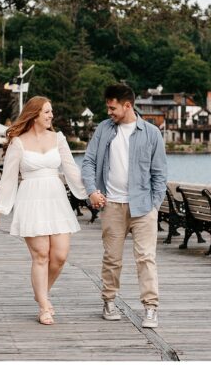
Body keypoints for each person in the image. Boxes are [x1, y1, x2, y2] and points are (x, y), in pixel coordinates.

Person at [0, 96, 87, 326]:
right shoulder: (18, 142)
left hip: (56, 199)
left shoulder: (58, 138)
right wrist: (0, 207)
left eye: (51, 111)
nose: (51, 115)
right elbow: (9, 177)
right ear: (34, 115)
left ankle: (41, 291)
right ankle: (44, 305)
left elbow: (72, 170)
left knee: (60, 255)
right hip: (31, 200)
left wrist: (88, 192)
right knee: (41, 254)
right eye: (46, 112)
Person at [81, 83, 167, 329]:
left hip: (143, 208)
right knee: (112, 258)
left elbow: (160, 174)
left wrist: (154, 205)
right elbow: (88, 162)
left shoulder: (151, 133)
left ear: (127, 105)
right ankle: (109, 301)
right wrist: (92, 191)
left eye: (112, 107)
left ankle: (150, 308)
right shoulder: (104, 130)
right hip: (112, 206)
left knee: (146, 258)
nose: (109, 112)